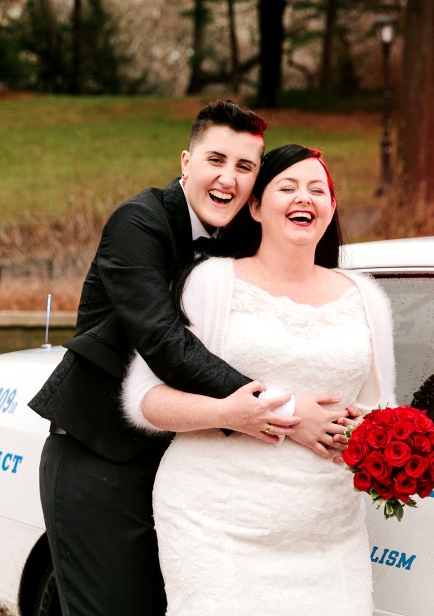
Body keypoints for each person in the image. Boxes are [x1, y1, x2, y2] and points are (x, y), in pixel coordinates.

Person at [29, 102, 350, 616]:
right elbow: (163, 342)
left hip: (185, 472)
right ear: (185, 162)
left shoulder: (239, 242)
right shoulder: (138, 223)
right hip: (101, 458)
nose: (228, 179)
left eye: (245, 168)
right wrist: (288, 411)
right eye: (215, 160)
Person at [121, 144, 396, 615]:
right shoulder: (213, 282)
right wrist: (237, 413)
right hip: (216, 526)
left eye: (318, 190)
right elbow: (145, 396)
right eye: (286, 187)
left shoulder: (365, 297)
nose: (303, 197)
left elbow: (380, 407)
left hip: (329, 534)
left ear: (331, 208)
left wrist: (379, 437)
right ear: (255, 206)